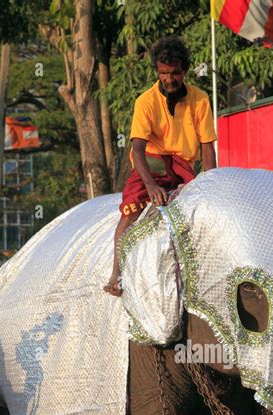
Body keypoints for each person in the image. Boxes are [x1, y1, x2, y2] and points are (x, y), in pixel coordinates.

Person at [104, 35, 217, 297]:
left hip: (183, 165)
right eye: (164, 73)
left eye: (174, 73)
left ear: (184, 70)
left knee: (204, 211)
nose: (169, 79)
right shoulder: (145, 101)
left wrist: (210, 184)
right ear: (157, 71)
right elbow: (137, 149)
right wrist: (151, 185)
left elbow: (207, 147)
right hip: (153, 163)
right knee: (130, 211)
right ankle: (116, 274)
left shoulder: (200, 99)